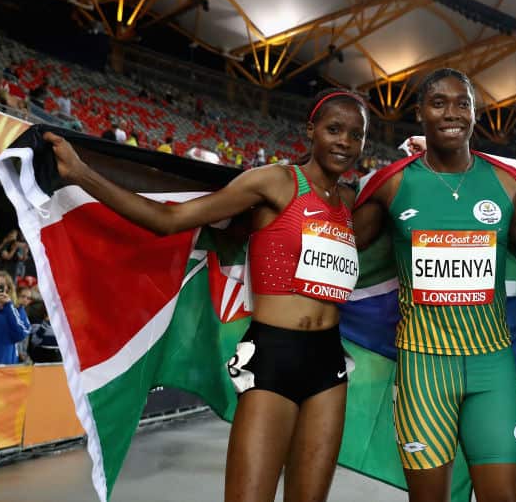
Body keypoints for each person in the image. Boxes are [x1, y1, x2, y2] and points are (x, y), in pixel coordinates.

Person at [45, 88, 369, 502]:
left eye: (356, 135)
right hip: (273, 356)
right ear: (311, 131)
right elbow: (170, 220)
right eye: (335, 129)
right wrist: (80, 173)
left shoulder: (351, 204)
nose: (344, 141)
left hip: (329, 363)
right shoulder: (276, 182)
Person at [353, 69, 516, 502]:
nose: (452, 113)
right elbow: (345, 248)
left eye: (462, 103)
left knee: (502, 496)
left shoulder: (503, 184)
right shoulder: (393, 184)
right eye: (439, 103)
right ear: (420, 113)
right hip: (423, 371)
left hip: (492, 368)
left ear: (474, 113)